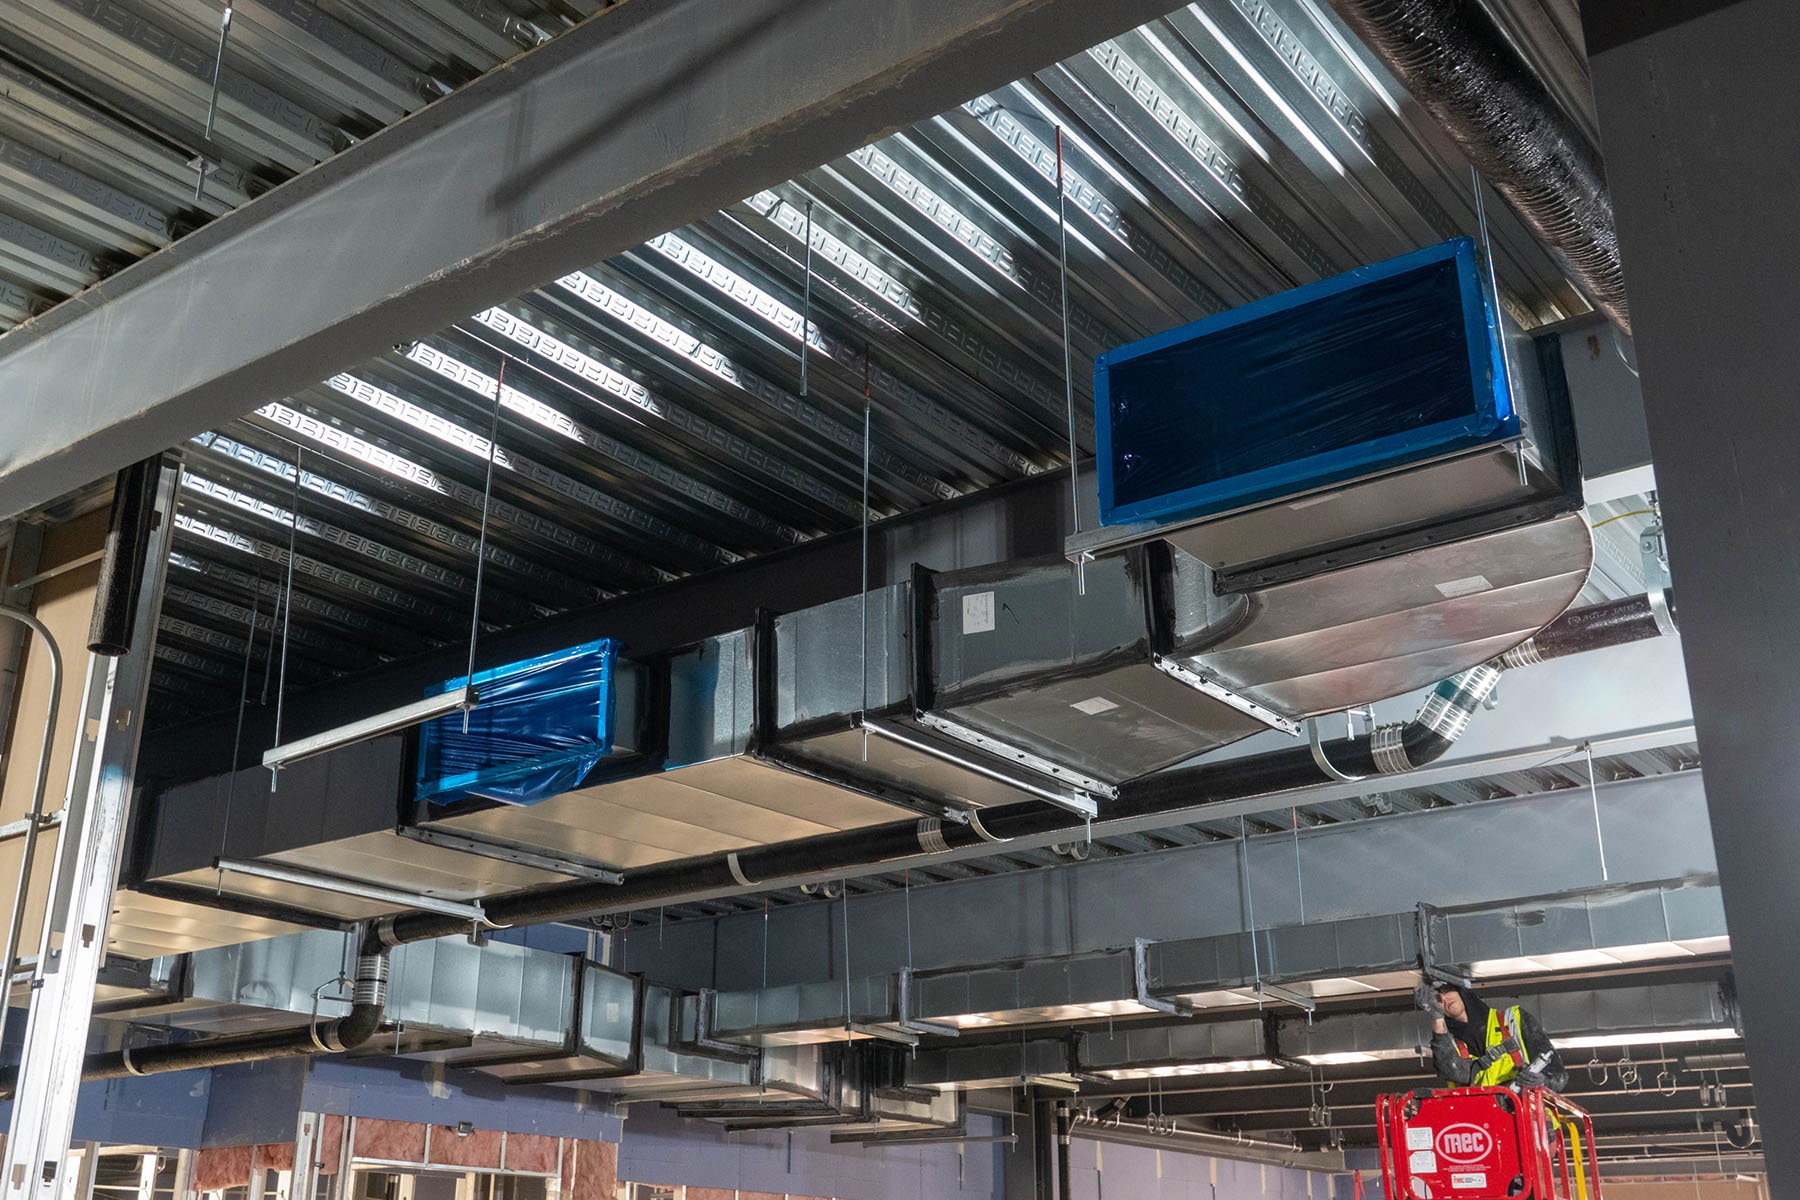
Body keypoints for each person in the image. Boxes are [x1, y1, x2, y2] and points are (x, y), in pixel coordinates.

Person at [1415, 980, 1568, 1091]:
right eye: (1436, 999)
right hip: (1483, 1128)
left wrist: (1543, 1082)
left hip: (1530, 1122)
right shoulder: (1448, 1044)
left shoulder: (1514, 1019)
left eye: (1447, 990)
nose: (1443, 999)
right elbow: (1453, 1072)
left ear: (1461, 990)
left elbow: (1560, 1075)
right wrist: (1436, 1017)